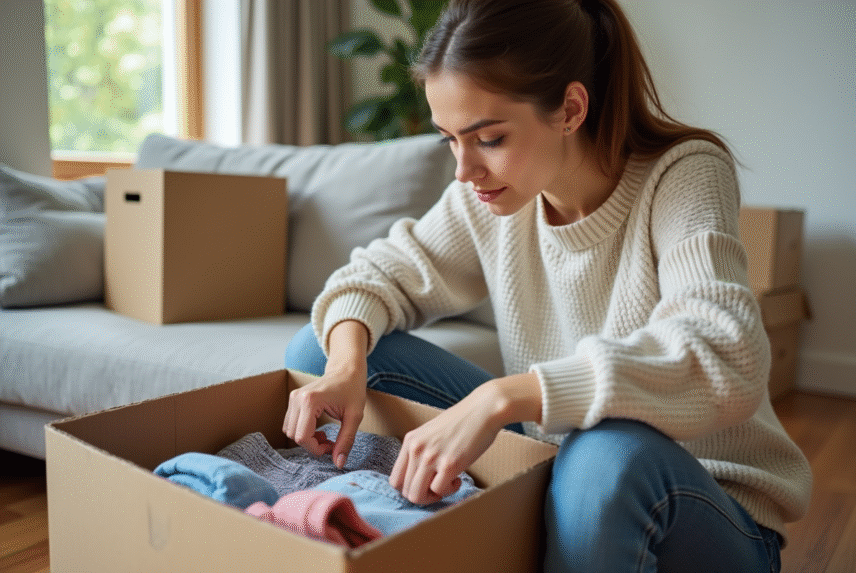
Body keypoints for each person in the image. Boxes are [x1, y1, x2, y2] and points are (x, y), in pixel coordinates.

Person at [282, 0, 812, 570]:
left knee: (604, 453)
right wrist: (342, 370)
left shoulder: (683, 174)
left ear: (570, 108)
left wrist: (500, 396)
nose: (464, 170)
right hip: (564, 459)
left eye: (488, 139)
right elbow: (371, 278)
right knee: (324, 349)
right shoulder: (485, 198)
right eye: (449, 140)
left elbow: (725, 355)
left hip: (705, 506)